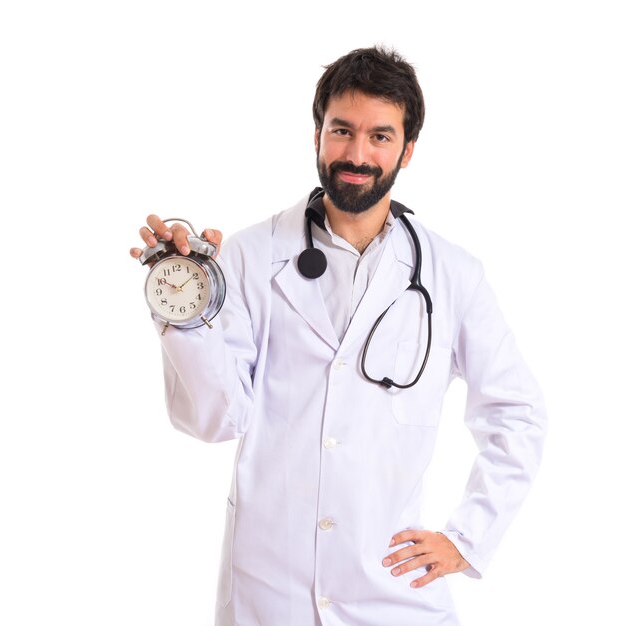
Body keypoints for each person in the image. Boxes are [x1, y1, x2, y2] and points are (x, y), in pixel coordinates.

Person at [130, 46, 546, 626]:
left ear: (408, 149)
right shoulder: (249, 257)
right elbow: (213, 421)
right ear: (318, 135)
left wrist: (467, 539)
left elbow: (517, 414)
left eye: (380, 136)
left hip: (394, 589)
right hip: (269, 586)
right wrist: (184, 302)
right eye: (341, 131)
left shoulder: (452, 275)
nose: (356, 154)